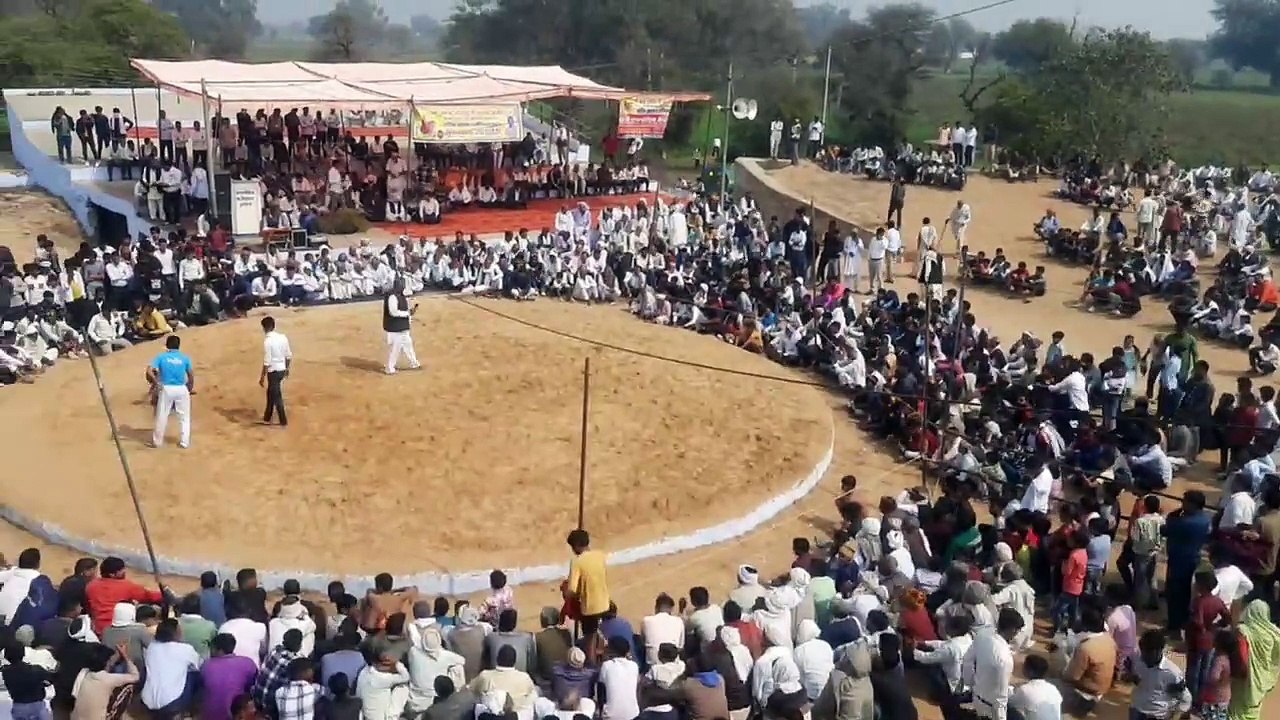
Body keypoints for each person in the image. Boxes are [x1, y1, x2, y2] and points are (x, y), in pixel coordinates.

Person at [1230, 600, 1280, 720]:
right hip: (1261, 679)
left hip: (1243, 679)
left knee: (1237, 710)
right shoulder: (1272, 633)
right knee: (1254, 709)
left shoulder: (1242, 631)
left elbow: (1240, 655)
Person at [148, 334, 194, 449]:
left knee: (162, 415)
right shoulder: (185, 358)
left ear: (167, 345)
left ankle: (157, 441)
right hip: (181, 388)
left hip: (167, 388)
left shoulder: (161, 357)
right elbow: (191, 374)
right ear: (179, 345)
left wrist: (156, 382)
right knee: (184, 417)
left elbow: (149, 371)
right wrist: (189, 387)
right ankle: (184, 442)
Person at [383, 275, 421, 375]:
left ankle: (414, 363)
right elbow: (393, 312)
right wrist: (407, 313)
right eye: (401, 285)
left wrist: (410, 313)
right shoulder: (392, 297)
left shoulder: (401, 295)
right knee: (395, 348)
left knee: (408, 344)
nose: (403, 287)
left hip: (402, 326)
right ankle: (389, 368)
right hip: (394, 327)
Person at [259, 315, 292, 427]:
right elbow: (288, 355)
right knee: (271, 393)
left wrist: (262, 377)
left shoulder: (267, 341)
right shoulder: (283, 337)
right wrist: (287, 368)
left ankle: (283, 421)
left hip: (273, 372)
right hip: (282, 369)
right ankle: (267, 417)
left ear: (264, 328)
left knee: (276, 396)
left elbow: (267, 361)